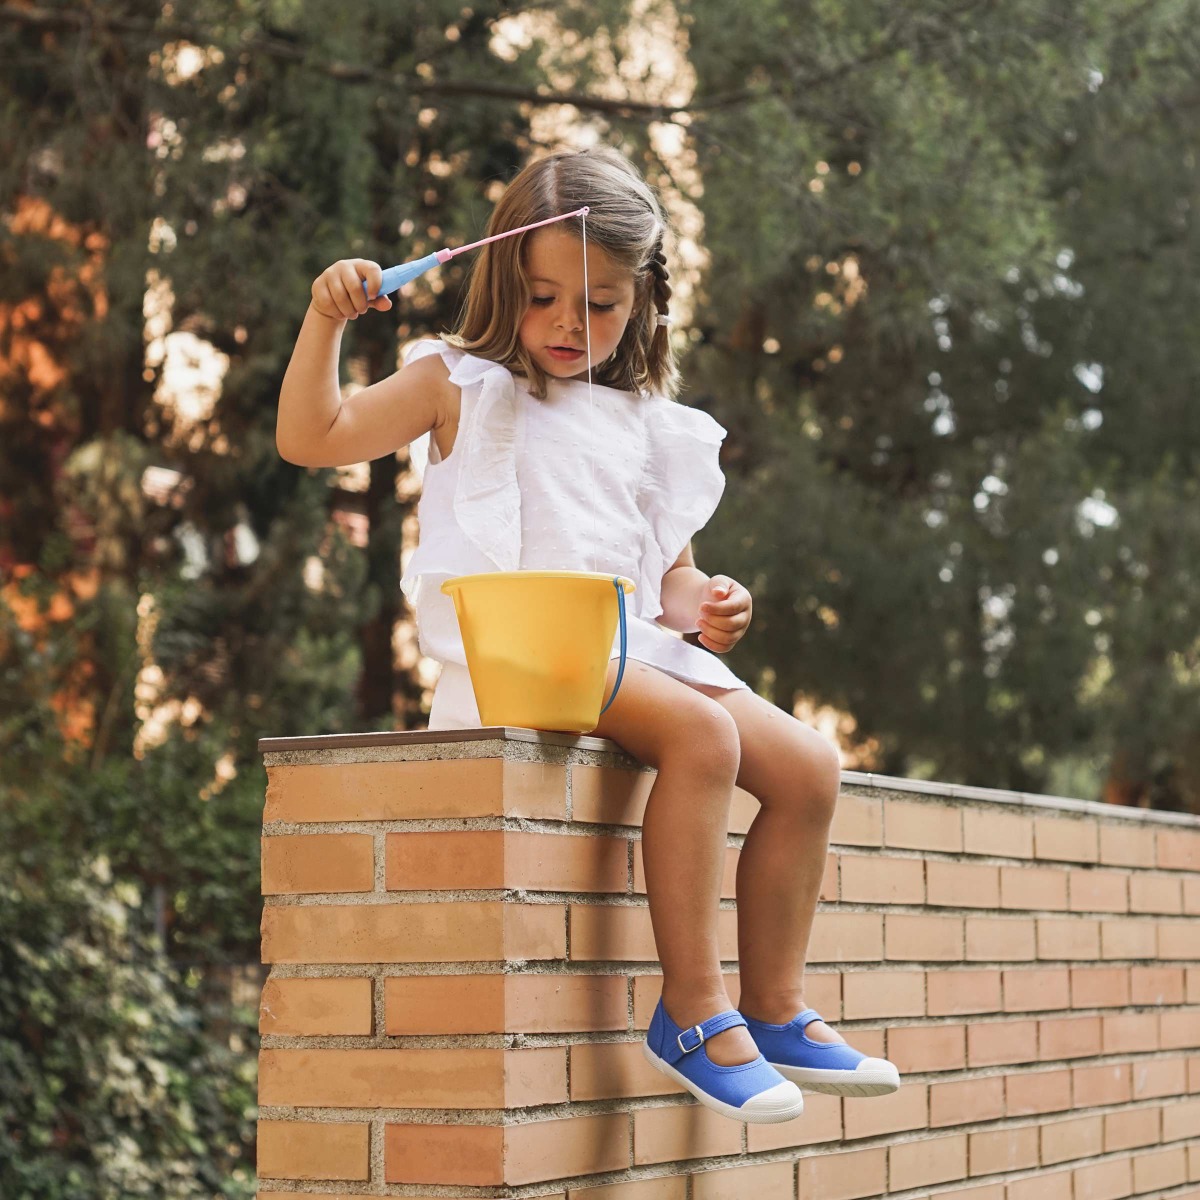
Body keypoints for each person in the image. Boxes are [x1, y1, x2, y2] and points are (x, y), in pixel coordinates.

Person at [276, 145, 900, 1123]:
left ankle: (774, 1006)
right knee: (706, 737)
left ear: (643, 296)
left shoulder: (646, 421)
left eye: (602, 302)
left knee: (811, 767)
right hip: (517, 651)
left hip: (623, 649)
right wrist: (325, 322)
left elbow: (669, 578)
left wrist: (706, 605)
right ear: (499, 280)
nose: (571, 323)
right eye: (543, 296)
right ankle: (693, 1012)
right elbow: (311, 438)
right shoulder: (458, 383)